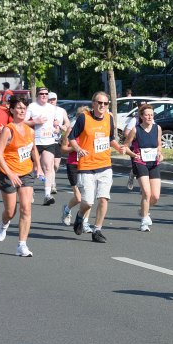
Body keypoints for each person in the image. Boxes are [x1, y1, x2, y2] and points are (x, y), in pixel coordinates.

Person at [68, 91, 128, 243]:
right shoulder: (84, 118)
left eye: (105, 103)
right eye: (99, 103)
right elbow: (71, 138)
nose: (102, 106)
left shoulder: (109, 118)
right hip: (86, 165)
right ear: (93, 103)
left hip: (105, 165)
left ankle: (97, 230)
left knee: (103, 199)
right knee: (88, 202)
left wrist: (118, 147)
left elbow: (110, 139)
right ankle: (80, 216)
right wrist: (78, 149)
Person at [0, 94, 39, 257]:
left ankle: (22, 245)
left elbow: (33, 149)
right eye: (19, 107)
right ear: (12, 110)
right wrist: (10, 173)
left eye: (24, 108)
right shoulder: (8, 129)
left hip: (26, 172)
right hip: (8, 173)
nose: (22, 110)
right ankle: (4, 224)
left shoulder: (30, 130)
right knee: (10, 211)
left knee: (26, 208)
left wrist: (38, 167)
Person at [25, 87, 68, 207]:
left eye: (46, 94)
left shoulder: (52, 108)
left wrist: (56, 126)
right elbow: (23, 122)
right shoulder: (32, 107)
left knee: (49, 167)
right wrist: (35, 121)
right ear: (37, 95)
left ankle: (47, 195)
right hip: (34, 141)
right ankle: (30, 192)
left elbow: (55, 121)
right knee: (33, 168)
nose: (44, 95)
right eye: (41, 93)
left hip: (49, 141)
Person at [125, 102, 163, 231]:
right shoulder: (136, 130)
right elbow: (125, 146)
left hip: (154, 163)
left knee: (155, 196)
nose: (149, 117)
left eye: (151, 115)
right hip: (140, 162)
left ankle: (143, 209)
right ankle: (144, 221)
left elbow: (159, 144)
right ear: (141, 116)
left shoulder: (157, 128)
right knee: (146, 193)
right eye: (147, 115)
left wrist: (159, 153)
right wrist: (133, 154)